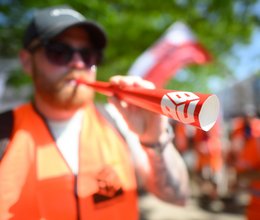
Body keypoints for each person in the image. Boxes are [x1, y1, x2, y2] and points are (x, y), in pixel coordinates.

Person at [0, 5, 189, 220]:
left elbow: (177, 197)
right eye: (59, 52)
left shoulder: (118, 121)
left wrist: (155, 140)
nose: (78, 63)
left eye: (88, 54)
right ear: (27, 61)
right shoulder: (5, 132)